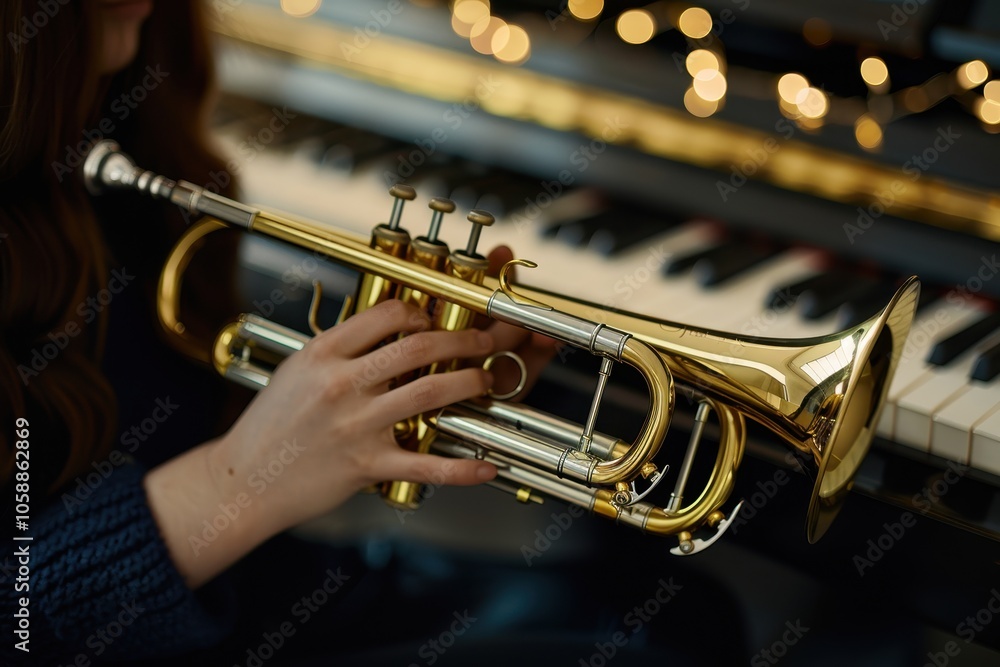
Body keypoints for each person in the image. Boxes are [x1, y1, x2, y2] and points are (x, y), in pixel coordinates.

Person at [0, 1, 555, 663]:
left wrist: (399, 385)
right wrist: (240, 483)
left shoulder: (113, 137)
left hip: (266, 593)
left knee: (682, 607)